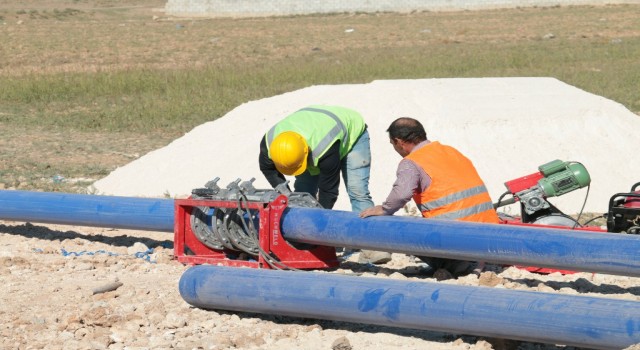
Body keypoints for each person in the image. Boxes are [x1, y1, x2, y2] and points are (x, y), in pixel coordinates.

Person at [359, 117, 499, 279]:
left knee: (396, 228)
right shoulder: (450, 151)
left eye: (392, 144)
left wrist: (384, 209)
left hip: (456, 236)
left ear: (399, 142)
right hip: (488, 232)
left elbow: (402, 194)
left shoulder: (412, 162)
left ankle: (453, 264)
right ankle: (465, 261)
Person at [259, 105, 391, 264]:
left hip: (352, 135)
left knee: (357, 191)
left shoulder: (324, 148)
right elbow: (267, 168)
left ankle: (373, 247)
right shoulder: (270, 145)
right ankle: (299, 238)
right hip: (310, 136)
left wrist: (317, 227)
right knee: (302, 193)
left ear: (305, 153)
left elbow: (328, 191)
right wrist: (286, 195)